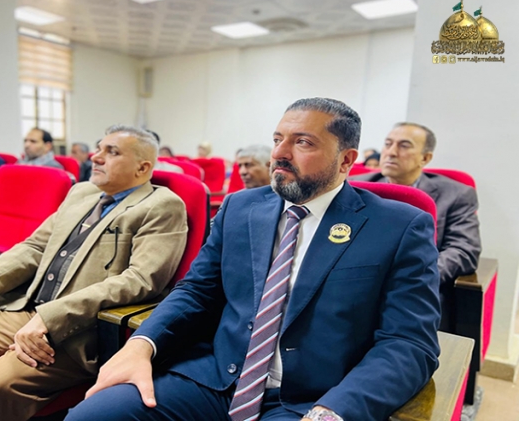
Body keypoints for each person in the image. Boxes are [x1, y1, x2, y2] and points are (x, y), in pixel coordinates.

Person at [66, 98, 441, 421]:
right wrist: (142, 345)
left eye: (302, 142)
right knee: (90, 415)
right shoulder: (240, 208)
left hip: (310, 399)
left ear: (346, 160)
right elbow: (197, 291)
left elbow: (409, 344)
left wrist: (335, 410)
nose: (279, 153)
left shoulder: (398, 227)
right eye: (278, 139)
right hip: (216, 379)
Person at [0, 125, 188, 420]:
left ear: (142, 168)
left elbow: (141, 280)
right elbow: (36, 247)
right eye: (99, 148)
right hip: (27, 310)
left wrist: (52, 317)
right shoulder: (82, 192)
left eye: (112, 152)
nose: (96, 157)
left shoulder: (161, 205)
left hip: (78, 331)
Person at [352, 122, 481, 331]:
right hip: (355, 282)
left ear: (425, 158)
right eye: (388, 144)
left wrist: (415, 276)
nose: (391, 152)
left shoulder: (456, 194)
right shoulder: (354, 186)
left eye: (404, 146)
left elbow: (464, 250)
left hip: (414, 288)